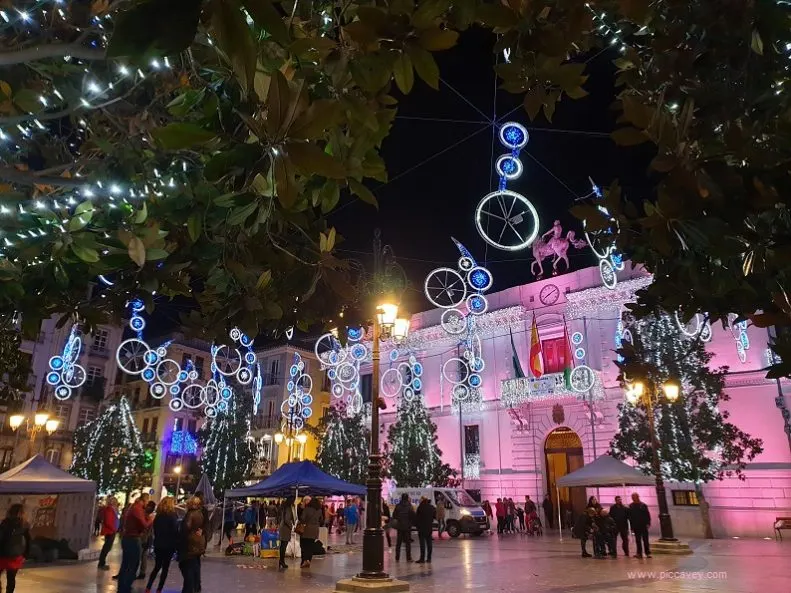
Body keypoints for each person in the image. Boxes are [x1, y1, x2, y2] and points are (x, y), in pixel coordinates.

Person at [118, 493, 154, 593]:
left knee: (126, 564)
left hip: (128, 538)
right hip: (132, 539)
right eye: (147, 501)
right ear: (145, 500)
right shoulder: (137, 509)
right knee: (132, 564)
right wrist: (151, 519)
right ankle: (125, 587)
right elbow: (145, 525)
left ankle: (122, 586)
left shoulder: (133, 507)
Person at [145, 497, 178, 593]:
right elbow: (175, 530)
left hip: (158, 544)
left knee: (157, 566)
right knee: (165, 568)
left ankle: (148, 587)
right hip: (169, 545)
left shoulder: (158, 516)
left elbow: (155, 530)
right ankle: (159, 589)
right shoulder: (173, 516)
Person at [0, 504, 30, 593]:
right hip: (16, 556)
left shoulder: (5, 523)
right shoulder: (24, 525)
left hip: (2, 554)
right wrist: (25, 555)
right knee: (11, 579)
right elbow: (29, 541)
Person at [179, 497, 206, 593]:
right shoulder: (200, 513)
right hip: (197, 544)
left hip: (190, 545)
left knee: (188, 569)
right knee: (195, 567)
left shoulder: (190, 514)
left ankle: (189, 589)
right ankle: (196, 587)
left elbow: (186, 528)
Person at [97, 495, 119, 570]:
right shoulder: (109, 509)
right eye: (115, 502)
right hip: (110, 531)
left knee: (107, 547)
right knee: (106, 547)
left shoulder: (112, 509)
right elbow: (108, 521)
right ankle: (101, 563)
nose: (116, 503)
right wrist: (114, 529)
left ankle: (102, 562)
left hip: (111, 531)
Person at [299, 497, 322, 568]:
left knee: (304, 545)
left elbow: (302, 518)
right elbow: (321, 520)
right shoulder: (319, 510)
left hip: (307, 529)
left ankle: (304, 560)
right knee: (311, 546)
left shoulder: (307, 509)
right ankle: (309, 560)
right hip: (315, 530)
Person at [137, 500, 157, 580]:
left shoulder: (148, 516)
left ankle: (141, 573)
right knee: (143, 556)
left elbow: (147, 529)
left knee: (141, 556)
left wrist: (145, 539)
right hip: (147, 538)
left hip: (144, 539)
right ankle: (142, 573)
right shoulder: (151, 516)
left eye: (148, 505)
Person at [393, 493, 415, 562]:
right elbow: (412, 515)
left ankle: (397, 557)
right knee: (408, 543)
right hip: (407, 527)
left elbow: (394, 515)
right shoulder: (409, 506)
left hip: (400, 526)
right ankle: (408, 558)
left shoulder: (398, 506)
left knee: (398, 543)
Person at [629, 493, 652, 558]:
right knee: (638, 540)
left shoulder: (643, 505)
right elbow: (630, 517)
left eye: (634, 497)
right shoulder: (631, 506)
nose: (633, 498)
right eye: (632, 497)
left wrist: (648, 523)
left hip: (643, 525)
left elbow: (647, 515)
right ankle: (639, 553)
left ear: (638, 497)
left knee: (645, 540)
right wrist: (631, 526)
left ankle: (647, 553)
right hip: (636, 525)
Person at [415, 497, 435, 564]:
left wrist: (417, 526)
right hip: (429, 527)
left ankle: (422, 558)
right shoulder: (431, 507)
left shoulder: (420, 507)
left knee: (422, 544)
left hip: (421, 528)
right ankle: (429, 558)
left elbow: (417, 518)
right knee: (429, 543)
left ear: (422, 500)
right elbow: (434, 516)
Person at [278, 496, 295, 570]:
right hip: (285, 528)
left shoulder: (283, 507)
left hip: (282, 527)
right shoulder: (288, 508)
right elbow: (287, 519)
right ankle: (282, 561)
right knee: (284, 545)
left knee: (282, 545)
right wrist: (291, 526)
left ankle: (281, 561)